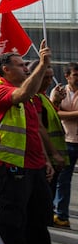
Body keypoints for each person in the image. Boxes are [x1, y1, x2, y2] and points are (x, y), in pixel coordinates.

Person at [0, 46, 68, 244]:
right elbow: (20, 94)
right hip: (12, 166)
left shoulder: (30, 96)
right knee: (12, 220)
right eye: (20, 65)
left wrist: (47, 157)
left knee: (39, 219)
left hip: (34, 166)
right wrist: (41, 65)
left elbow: (36, 129)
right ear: (5, 70)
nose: (24, 68)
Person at [51, 63, 78, 227]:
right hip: (66, 141)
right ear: (67, 76)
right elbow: (56, 113)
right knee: (63, 180)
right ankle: (62, 216)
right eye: (75, 74)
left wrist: (67, 115)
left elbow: (61, 114)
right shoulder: (59, 92)